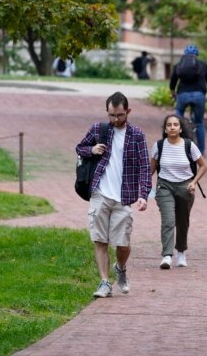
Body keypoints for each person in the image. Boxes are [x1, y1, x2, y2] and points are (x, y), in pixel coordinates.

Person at [75, 91, 151, 298]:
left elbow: (145, 166)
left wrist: (144, 194)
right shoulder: (99, 129)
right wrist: (92, 150)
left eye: (119, 115)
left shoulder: (136, 134)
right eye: (111, 115)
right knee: (100, 240)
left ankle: (121, 268)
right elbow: (79, 148)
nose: (115, 119)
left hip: (124, 196)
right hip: (100, 193)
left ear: (128, 111)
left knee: (123, 244)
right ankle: (104, 282)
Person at [150, 114, 207, 269]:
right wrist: (143, 186)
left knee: (182, 222)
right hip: (165, 186)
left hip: (185, 186)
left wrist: (194, 182)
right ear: (165, 128)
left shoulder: (189, 145)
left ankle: (181, 251)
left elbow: (203, 165)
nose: (172, 127)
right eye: (169, 125)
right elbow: (151, 170)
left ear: (181, 128)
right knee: (168, 220)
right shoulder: (159, 146)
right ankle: (167, 256)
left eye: (176, 124)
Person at [170, 44, 207, 156]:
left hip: (182, 95)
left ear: (184, 54)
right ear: (197, 55)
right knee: (199, 123)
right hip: (199, 96)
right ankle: (201, 153)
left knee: (178, 118)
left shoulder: (178, 65)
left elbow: (173, 82)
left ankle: (178, 147)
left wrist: (173, 93)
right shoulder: (203, 65)